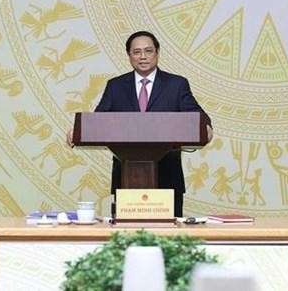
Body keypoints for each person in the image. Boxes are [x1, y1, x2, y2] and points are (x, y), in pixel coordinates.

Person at [70, 30, 213, 217]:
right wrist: (78, 131)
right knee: (127, 238)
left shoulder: (176, 84)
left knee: (168, 241)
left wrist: (206, 126)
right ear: (129, 56)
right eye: (137, 52)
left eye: (148, 51)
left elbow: (197, 115)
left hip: (168, 177)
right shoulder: (116, 86)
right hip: (126, 177)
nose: (143, 56)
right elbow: (98, 121)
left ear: (157, 53)